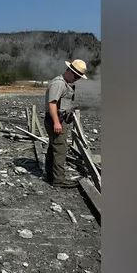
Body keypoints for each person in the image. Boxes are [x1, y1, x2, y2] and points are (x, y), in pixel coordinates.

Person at [44, 59, 87, 188]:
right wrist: (57, 122)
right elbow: (52, 103)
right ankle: (59, 180)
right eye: (75, 76)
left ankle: (51, 175)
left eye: (78, 77)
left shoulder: (65, 83)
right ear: (69, 71)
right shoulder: (59, 84)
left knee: (54, 147)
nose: (76, 79)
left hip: (58, 119)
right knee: (60, 149)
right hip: (55, 120)